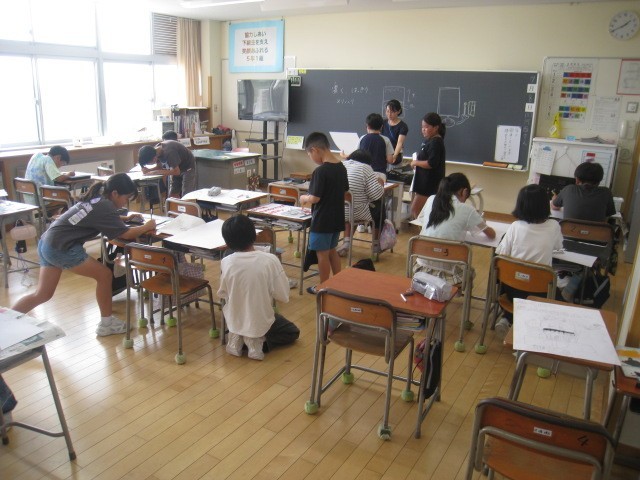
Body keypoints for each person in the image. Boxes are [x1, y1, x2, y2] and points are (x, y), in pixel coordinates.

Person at [11, 174, 156, 336]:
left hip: (47, 243)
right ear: (115, 193)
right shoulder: (105, 206)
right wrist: (146, 226)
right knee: (105, 275)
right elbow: (125, 234)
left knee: (42, 294)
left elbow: (95, 216)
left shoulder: (97, 197)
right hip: (62, 247)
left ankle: (7, 320)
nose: (125, 202)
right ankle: (106, 323)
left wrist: (124, 217)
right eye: (126, 198)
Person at [218, 215, 299, 360]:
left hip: (235, 318)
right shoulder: (270, 259)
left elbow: (223, 292)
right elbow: (283, 295)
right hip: (259, 319)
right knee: (292, 331)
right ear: (254, 235)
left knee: (241, 313)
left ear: (227, 242)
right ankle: (257, 341)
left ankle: (238, 336)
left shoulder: (226, 261)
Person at [494, 184, 563, 337]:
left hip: (513, 290)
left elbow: (501, 255)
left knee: (515, 279)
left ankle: (508, 317)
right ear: (545, 205)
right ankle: (533, 328)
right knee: (562, 301)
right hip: (541, 293)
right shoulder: (554, 226)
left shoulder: (515, 226)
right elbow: (558, 248)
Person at [551, 162, 616, 302]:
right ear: (599, 181)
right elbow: (609, 215)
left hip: (567, 244)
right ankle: (578, 278)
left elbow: (554, 207)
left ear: (577, 179)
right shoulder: (606, 193)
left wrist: (555, 199)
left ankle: (566, 279)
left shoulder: (568, 189)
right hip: (595, 249)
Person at [300, 132, 349, 294]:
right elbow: (345, 192)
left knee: (322, 254)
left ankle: (324, 287)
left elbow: (315, 198)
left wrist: (304, 198)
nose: (311, 158)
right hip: (337, 217)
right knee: (332, 250)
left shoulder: (320, 171)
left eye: (309, 155)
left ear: (315, 150)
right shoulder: (341, 167)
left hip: (322, 220)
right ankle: (338, 284)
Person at [419, 173, 495, 242]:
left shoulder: (431, 199)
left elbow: (422, 219)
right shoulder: (467, 209)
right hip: (450, 252)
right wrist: (481, 222)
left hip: (422, 249)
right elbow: (492, 235)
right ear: (465, 191)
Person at [336, 149, 385, 257]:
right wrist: (381, 183)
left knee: (350, 205)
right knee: (380, 207)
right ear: (368, 161)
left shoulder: (341, 164)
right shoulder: (365, 168)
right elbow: (376, 195)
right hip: (356, 212)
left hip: (336, 211)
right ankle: (376, 244)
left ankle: (347, 242)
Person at [410, 112, 446, 219]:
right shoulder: (430, 141)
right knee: (420, 211)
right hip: (424, 182)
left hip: (428, 184)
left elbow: (431, 163)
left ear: (436, 127)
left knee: (416, 210)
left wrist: (416, 163)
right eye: (422, 127)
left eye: (426, 127)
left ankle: (423, 229)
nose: (423, 130)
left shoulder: (436, 142)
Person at [382, 99, 409, 166]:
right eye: (387, 111)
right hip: (383, 154)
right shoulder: (383, 123)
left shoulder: (403, 126)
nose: (389, 114)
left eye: (392, 112)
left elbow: (399, 143)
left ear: (398, 111)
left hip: (395, 154)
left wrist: (394, 156)